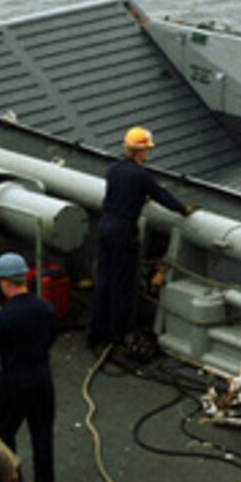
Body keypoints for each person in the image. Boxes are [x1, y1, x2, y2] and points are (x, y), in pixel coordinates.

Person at [89, 126, 194, 348]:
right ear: (140, 151)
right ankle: (116, 335)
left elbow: (119, 193)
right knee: (121, 284)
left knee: (104, 279)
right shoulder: (141, 175)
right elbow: (161, 195)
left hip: (106, 225)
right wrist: (183, 209)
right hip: (123, 231)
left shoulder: (114, 169)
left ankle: (94, 331)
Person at [0, 252, 57, 482]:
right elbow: (49, 339)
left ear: (4, 282)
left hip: (13, 384)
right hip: (42, 381)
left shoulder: (3, 316)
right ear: (25, 277)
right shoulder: (46, 308)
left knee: (3, 437)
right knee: (42, 439)